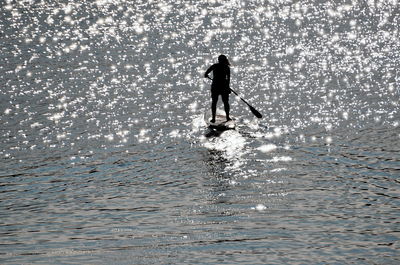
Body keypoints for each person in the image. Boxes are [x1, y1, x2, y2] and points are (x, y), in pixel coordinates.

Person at [204, 54, 231, 123]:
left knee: (214, 102)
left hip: (215, 86)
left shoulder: (215, 66)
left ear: (219, 60)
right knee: (226, 102)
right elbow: (228, 79)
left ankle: (213, 119)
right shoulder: (226, 67)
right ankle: (227, 117)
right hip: (224, 87)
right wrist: (228, 88)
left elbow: (206, 73)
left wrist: (206, 75)